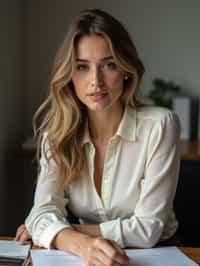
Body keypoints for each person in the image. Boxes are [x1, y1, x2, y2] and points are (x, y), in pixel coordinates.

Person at [15, 8, 180, 266]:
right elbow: (42, 212)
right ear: (69, 74)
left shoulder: (160, 125)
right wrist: (78, 244)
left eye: (109, 65)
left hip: (157, 254)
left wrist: (62, 234)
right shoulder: (56, 135)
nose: (96, 81)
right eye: (82, 67)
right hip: (84, 257)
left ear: (126, 70)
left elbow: (148, 229)